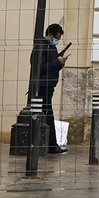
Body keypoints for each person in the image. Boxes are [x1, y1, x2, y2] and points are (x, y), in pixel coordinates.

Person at [31, 23, 68, 154]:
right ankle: (51, 145)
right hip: (42, 86)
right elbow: (40, 68)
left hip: (49, 85)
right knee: (47, 115)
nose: (57, 40)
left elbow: (51, 67)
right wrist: (57, 61)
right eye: (56, 37)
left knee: (46, 115)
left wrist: (60, 63)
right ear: (50, 35)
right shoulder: (41, 46)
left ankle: (50, 144)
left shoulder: (50, 47)